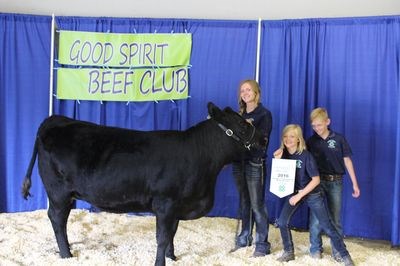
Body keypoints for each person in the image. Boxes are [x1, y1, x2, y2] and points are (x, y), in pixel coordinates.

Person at [273, 124, 354, 266]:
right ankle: (288, 251)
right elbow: (281, 178)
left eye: (292, 136)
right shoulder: (283, 154)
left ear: (298, 139)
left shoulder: (306, 156)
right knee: (281, 222)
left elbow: (316, 180)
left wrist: (299, 195)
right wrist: (278, 161)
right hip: (294, 193)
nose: (288, 139)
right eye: (285, 136)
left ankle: (344, 255)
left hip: (311, 193)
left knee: (327, 226)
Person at [307, 107, 361, 260]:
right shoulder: (311, 141)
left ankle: (337, 250)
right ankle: (315, 247)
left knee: (335, 218)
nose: (317, 128)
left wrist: (355, 184)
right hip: (317, 183)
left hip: (335, 182)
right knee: (316, 218)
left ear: (327, 122)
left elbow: (347, 161)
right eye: (314, 126)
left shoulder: (338, 139)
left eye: (319, 125)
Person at [231, 79, 272, 257]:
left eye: (248, 90)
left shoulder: (264, 114)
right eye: (242, 91)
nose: (245, 93)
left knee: (257, 204)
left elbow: (263, 140)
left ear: (256, 92)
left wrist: (248, 127)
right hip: (239, 162)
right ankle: (244, 237)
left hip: (255, 162)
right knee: (244, 202)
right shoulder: (238, 115)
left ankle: (262, 243)